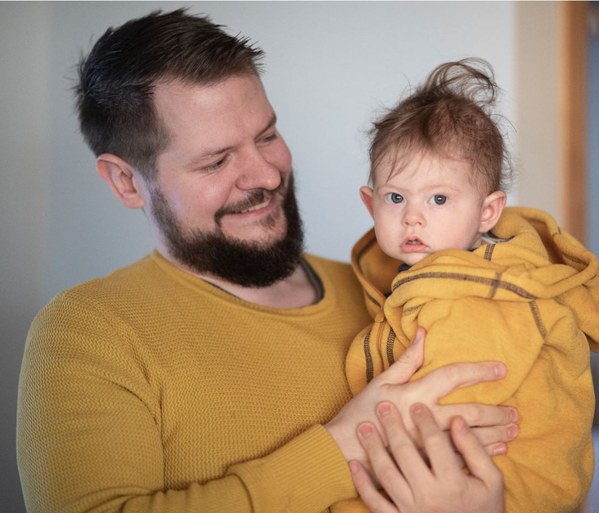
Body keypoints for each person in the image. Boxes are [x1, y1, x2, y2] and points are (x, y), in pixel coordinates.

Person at [15, 10, 520, 513]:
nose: (267, 175)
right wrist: (345, 445)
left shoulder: (391, 293)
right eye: (216, 161)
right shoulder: (89, 332)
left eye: (267, 136)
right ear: (126, 182)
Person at [338, 59, 599, 513]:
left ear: (487, 212)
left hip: (509, 485)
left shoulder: (485, 295)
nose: (413, 217)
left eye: (438, 198)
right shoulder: (424, 276)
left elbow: (443, 405)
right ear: (370, 204)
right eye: (396, 197)